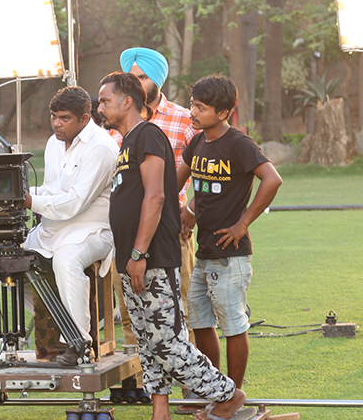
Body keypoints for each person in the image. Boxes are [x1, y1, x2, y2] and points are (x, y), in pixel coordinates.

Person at [98, 71, 247, 420]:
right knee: (147, 342)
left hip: (151, 258)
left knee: (168, 341)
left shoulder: (148, 135)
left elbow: (156, 197)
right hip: (130, 259)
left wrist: (139, 253)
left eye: (105, 100)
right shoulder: (127, 142)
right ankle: (160, 410)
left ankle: (228, 394)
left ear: (127, 102)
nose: (100, 107)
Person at [177, 74, 282, 393]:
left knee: (233, 325)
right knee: (200, 322)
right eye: (192, 105)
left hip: (231, 253)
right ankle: (214, 389)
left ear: (223, 112)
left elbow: (272, 179)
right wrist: (188, 211)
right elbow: (178, 182)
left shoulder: (239, 144)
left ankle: (233, 395)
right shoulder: (198, 142)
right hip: (204, 251)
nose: (193, 112)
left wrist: (242, 224)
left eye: (201, 107)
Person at [23, 85, 119, 366]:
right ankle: (60, 319)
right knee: (10, 262)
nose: (57, 123)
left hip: (93, 230)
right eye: (53, 116)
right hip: (53, 228)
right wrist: (19, 195)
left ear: (84, 118)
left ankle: (80, 344)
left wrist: (30, 201)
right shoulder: (54, 143)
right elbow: (52, 190)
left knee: (67, 260)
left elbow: (76, 201)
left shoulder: (101, 147)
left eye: (64, 118)